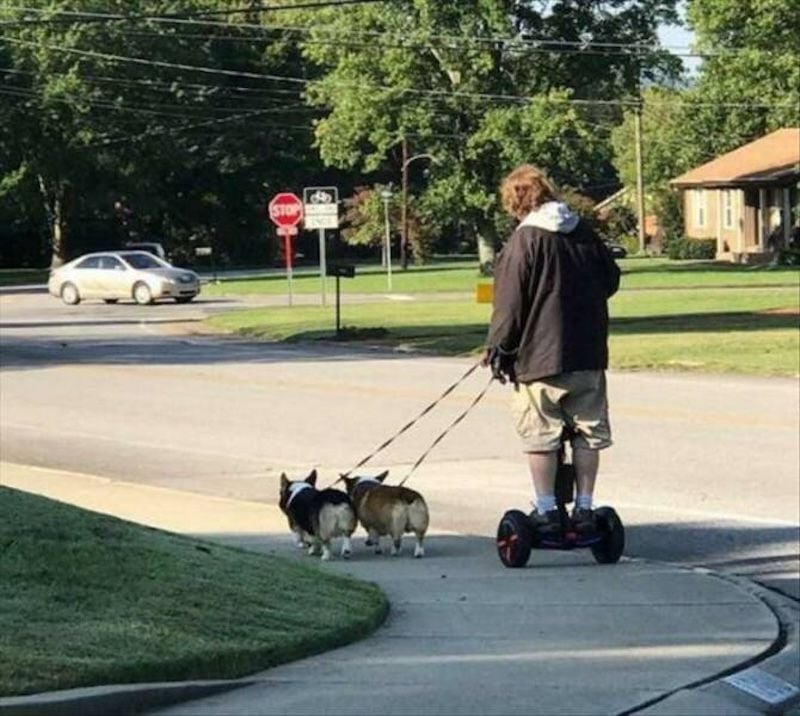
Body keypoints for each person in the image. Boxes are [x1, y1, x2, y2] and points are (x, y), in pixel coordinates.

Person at [483, 164, 620, 534]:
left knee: (540, 435)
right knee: (588, 433)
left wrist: (499, 348)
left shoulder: (523, 241)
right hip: (588, 354)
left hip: (539, 358)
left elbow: (509, 305)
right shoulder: (584, 233)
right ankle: (586, 507)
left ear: (515, 202)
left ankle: (546, 508)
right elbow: (611, 280)